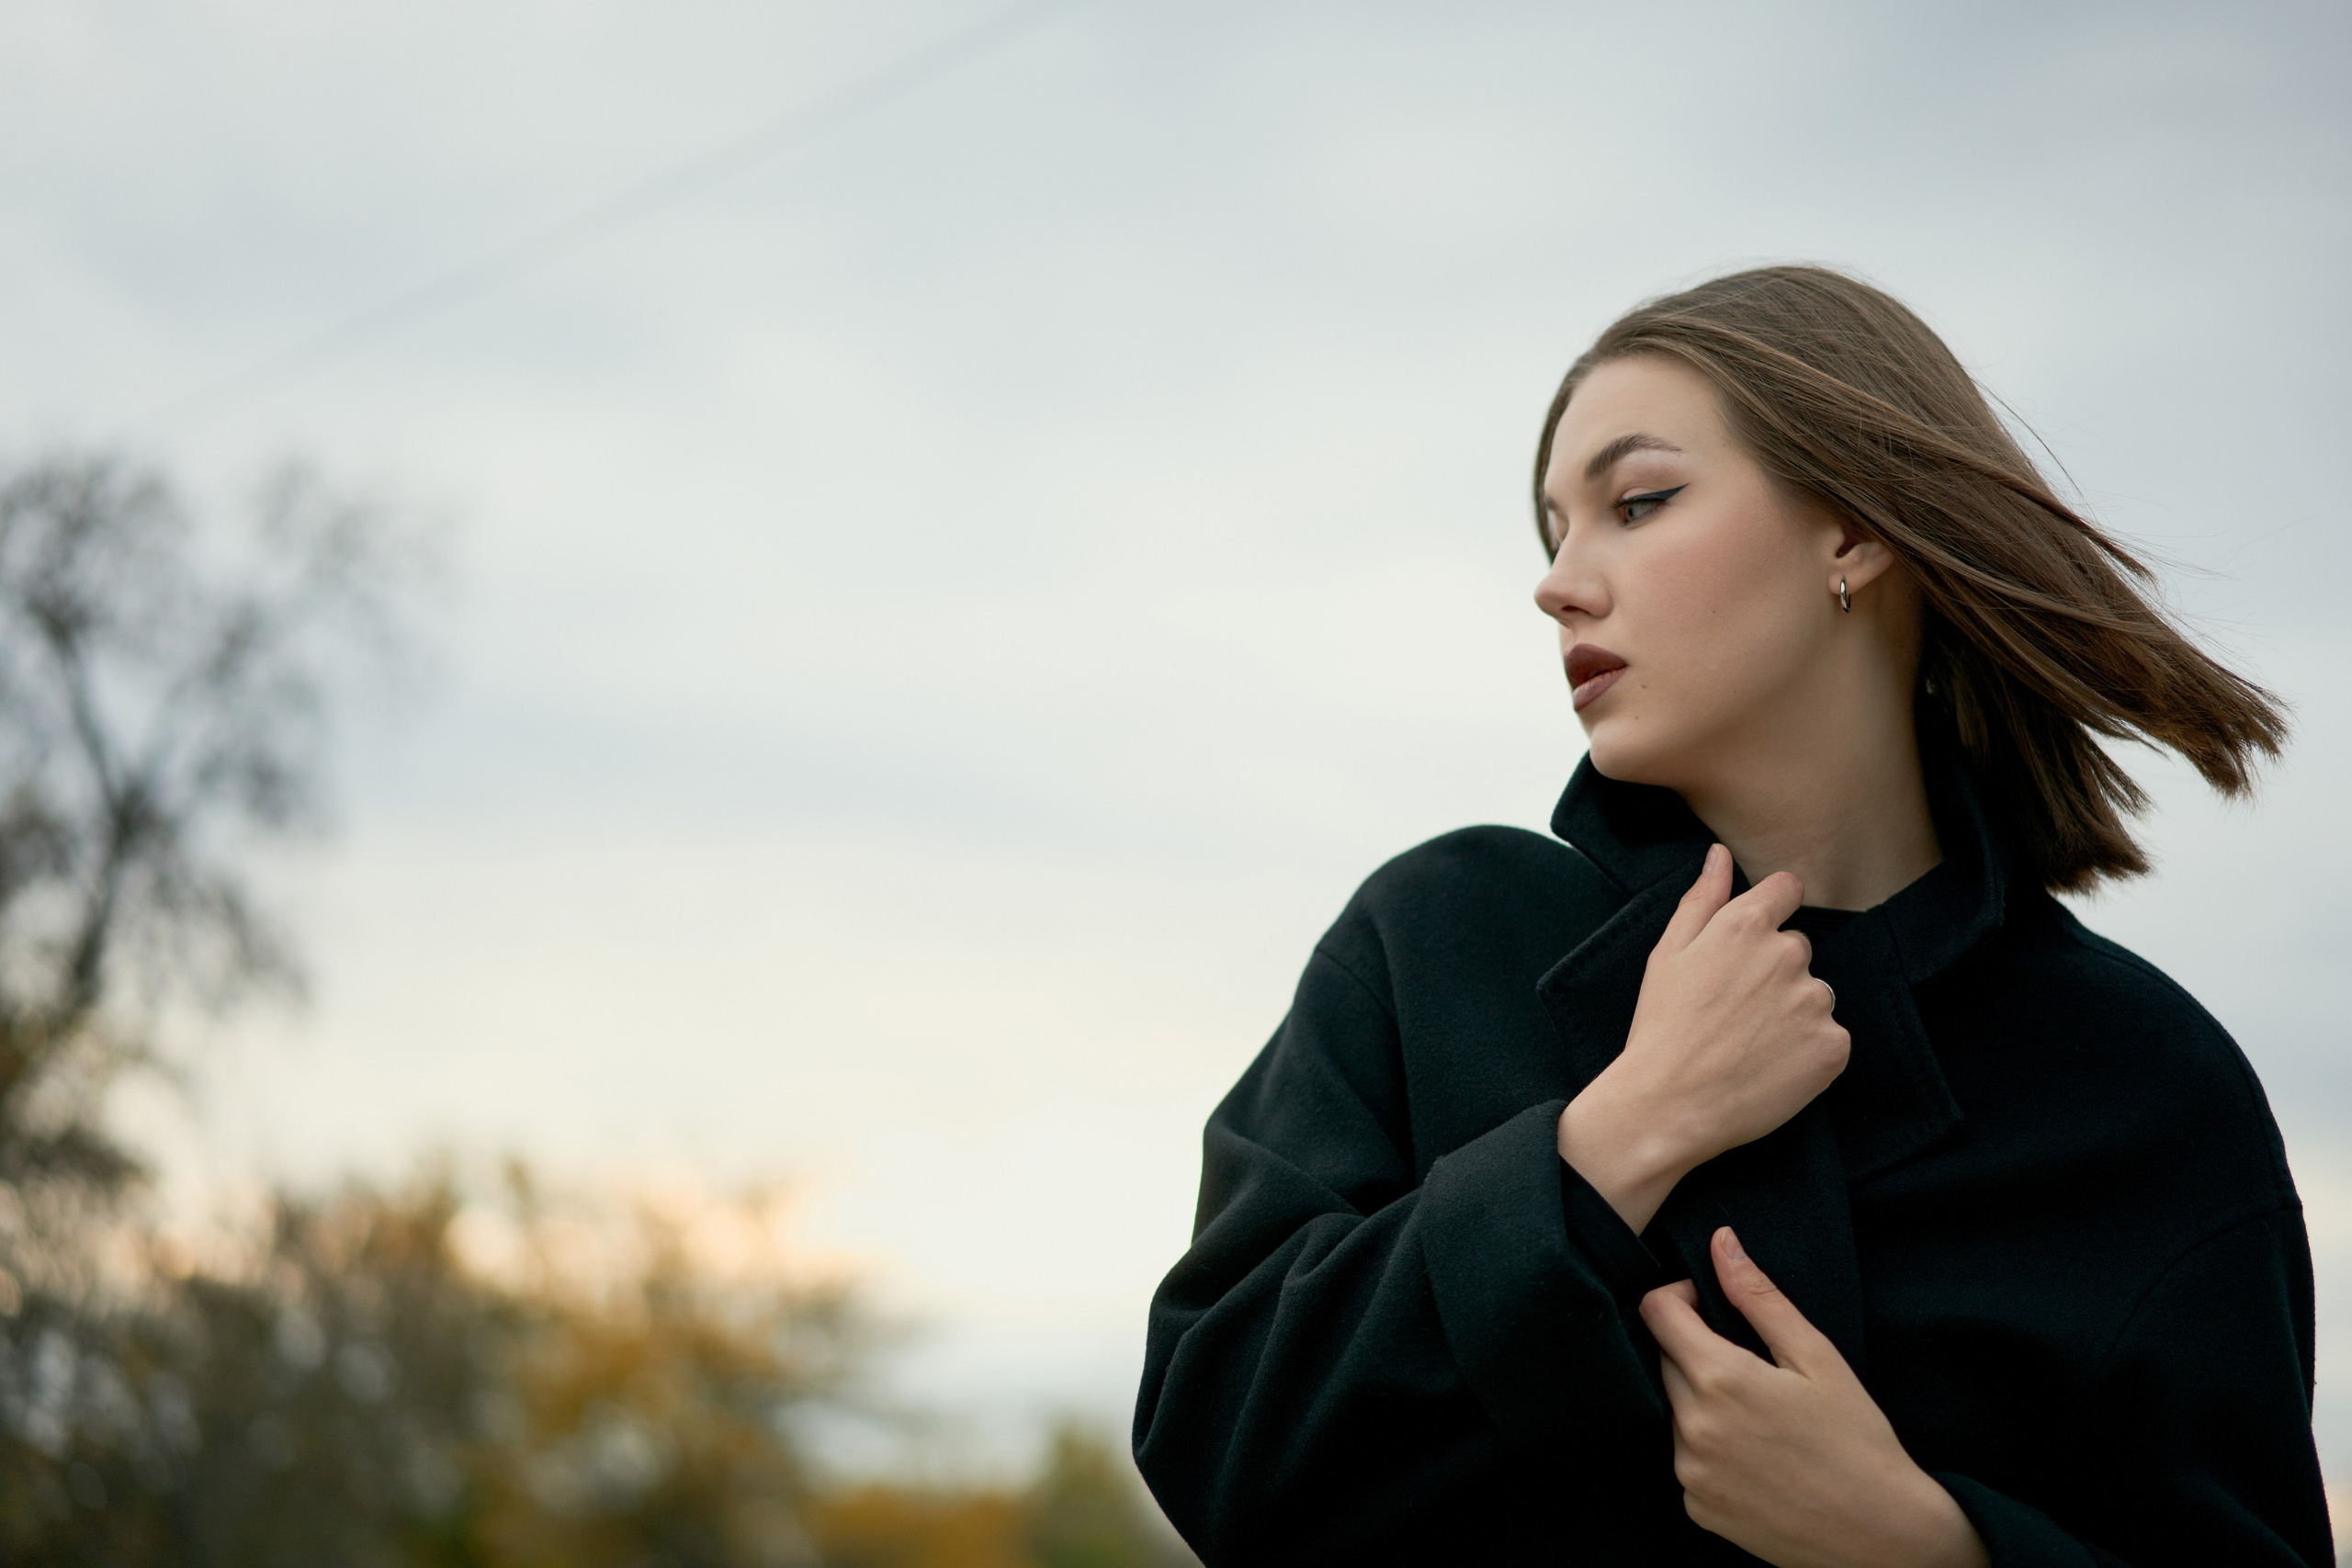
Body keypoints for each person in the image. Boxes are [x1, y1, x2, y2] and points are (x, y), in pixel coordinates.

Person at [1131, 265, 2331, 1566]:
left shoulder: (2147, 1084)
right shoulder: (1439, 942)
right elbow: (1222, 1446)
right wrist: (1616, 1137)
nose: (1560, 585)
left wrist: (1932, 1549)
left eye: (1639, 502)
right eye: (1553, 533)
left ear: (1853, 530)